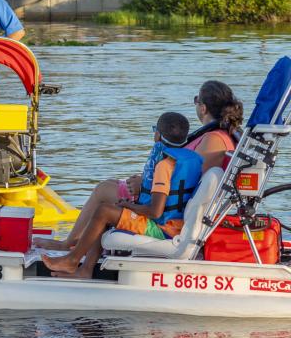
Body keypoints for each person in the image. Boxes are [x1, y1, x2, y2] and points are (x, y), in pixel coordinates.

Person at [34, 79, 243, 252]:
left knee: (103, 191)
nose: (196, 104)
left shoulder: (213, 140)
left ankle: (70, 244)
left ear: (203, 107)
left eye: (197, 100)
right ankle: (84, 248)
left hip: (166, 206)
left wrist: (145, 184)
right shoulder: (215, 136)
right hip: (163, 194)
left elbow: (187, 180)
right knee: (109, 186)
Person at [41, 112, 203, 277]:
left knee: (104, 211)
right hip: (176, 224)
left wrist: (129, 205)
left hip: (162, 229)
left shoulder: (164, 165)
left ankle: (72, 261)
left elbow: (155, 211)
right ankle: (85, 269)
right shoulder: (193, 159)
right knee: (107, 210)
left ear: (158, 135)